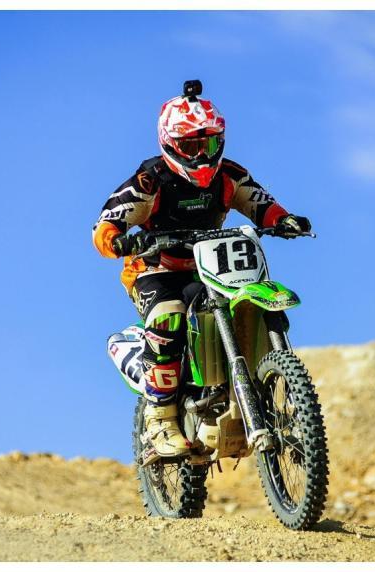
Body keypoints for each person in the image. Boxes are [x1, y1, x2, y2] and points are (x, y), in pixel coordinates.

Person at [92, 80, 311, 460]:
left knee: (230, 308)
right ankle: (160, 417)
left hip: (210, 267)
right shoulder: (150, 180)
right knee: (169, 315)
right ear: (171, 143)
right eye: (191, 145)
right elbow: (106, 223)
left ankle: (231, 397)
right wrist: (119, 240)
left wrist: (284, 220)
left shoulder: (230, 175)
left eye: (208, 143)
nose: (201, 153)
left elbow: (259, 202)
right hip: (155, 268)